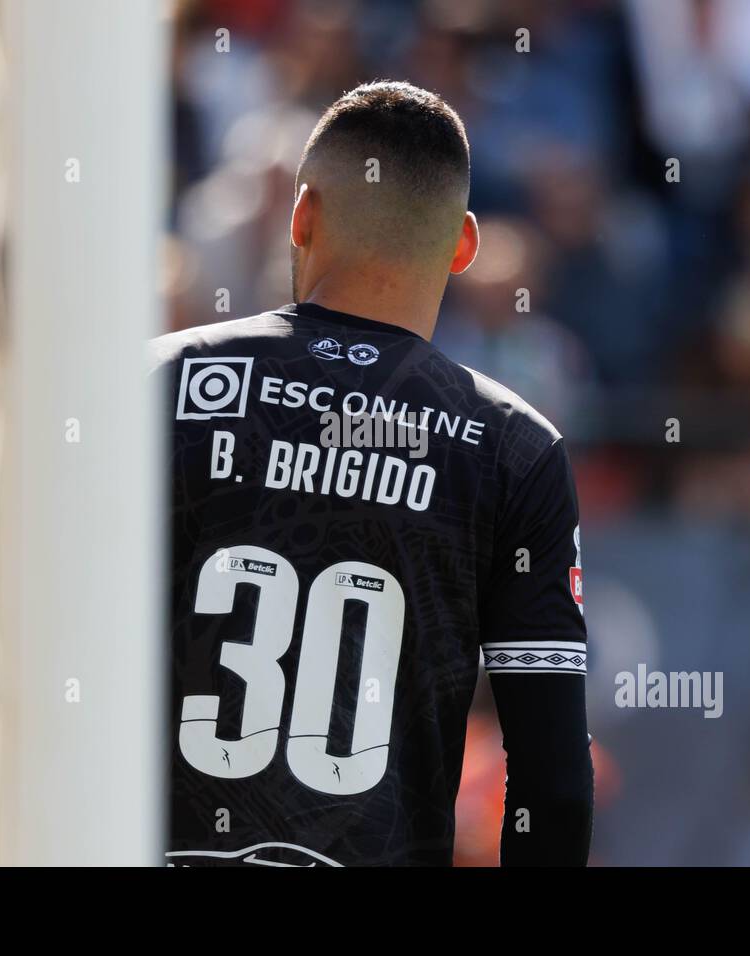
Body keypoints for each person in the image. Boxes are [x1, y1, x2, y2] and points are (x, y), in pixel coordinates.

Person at [153, 81, 592, 866]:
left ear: (303, 215)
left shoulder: (164, 379)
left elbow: (22, 668)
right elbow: (552, 782)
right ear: (463, 245)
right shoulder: (515, 447)